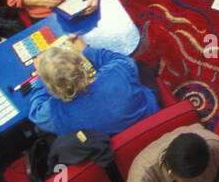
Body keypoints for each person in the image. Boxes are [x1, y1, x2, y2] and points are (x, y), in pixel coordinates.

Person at [28, 36, 158, 134]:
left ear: (51, 86)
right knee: (141, 69)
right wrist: (85, 49)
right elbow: (121, 59)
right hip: (156, 122)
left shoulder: (56, 112)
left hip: (121, 148)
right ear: (80, 63)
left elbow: (35, 114)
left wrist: (40, 77)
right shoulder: (118, 71)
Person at [123, 125, 219, 182]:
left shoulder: (213, 147)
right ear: (170, 168)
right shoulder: (142, 179)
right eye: (188, 181)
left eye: (198, 178)